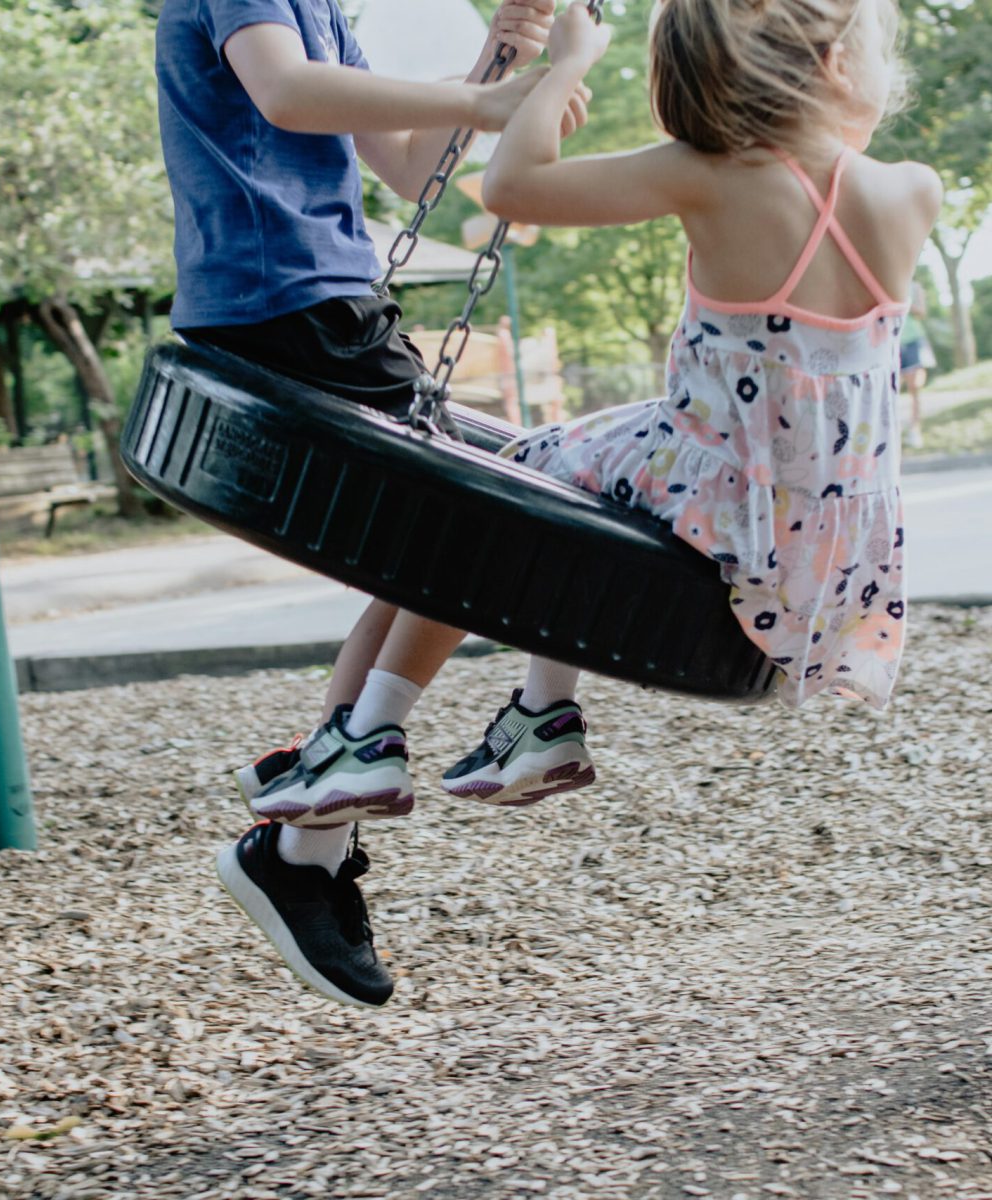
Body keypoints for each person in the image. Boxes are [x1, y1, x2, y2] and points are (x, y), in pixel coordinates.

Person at [228, 0, 943, 1009]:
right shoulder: (910, 191)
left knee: (513, 485)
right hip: (824, 561)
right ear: (831, 64)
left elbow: (511, 186)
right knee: (567, 484)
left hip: (711, 494)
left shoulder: (705, 174)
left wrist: (564, 65)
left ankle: (383, 727)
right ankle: (534, 713)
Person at [154, 0, 593, 1009]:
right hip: (286, 305)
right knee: (483, 526)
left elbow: (409, 171)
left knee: (435, 555)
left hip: (326, 304)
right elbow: (284, 92)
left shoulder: (323, 11)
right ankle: (318, 833)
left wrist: (509, 59)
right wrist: (486, 95)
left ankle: (310, 838)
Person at [899, 280, 935, 448]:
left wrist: (903, 303)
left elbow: (921, 312)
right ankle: (894, 430)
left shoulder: (915, 286)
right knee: (893, 390)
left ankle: (915, 430)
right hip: (892, 341)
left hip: (913, 340)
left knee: (915, 388)